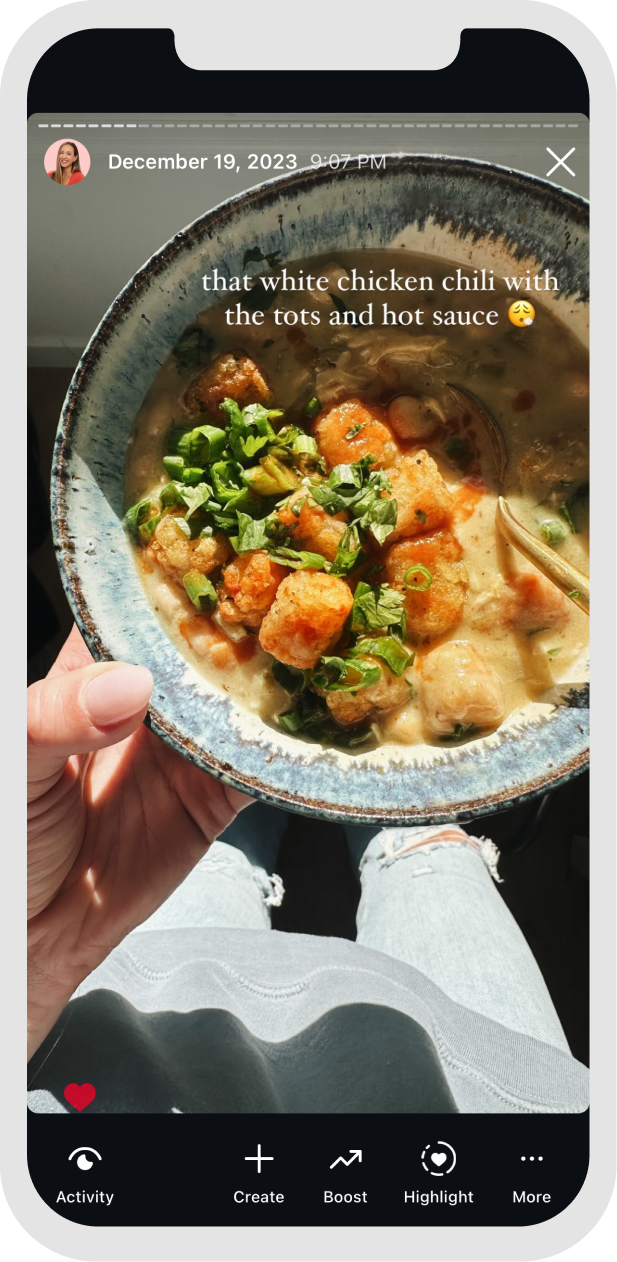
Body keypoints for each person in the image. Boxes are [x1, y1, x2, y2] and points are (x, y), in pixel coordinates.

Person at [27, 628, 588, 1114]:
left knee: (216, 858)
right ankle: (398, 816)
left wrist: (39, 960)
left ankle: (270, 803)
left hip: (121, 1008)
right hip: (492, 1094)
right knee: (427, 856)